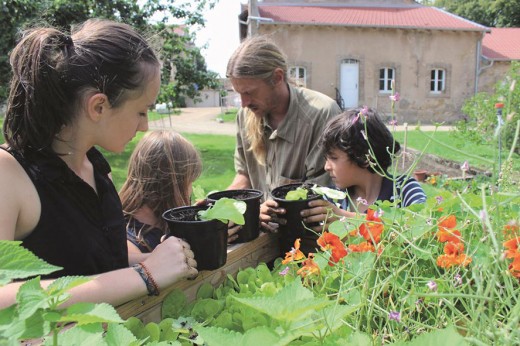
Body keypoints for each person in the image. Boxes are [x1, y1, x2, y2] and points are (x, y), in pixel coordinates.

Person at [0, 19, 197, 310]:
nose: (144, 127)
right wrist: (145, 275)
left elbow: (83, 260)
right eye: (141, 111)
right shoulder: (10, 173)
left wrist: (152, 260)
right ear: (99, 107)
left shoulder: (93, 168)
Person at [225, 35, 342, 232]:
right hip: (262, 232)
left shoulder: (320, 114)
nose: (244, 103)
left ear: (277, 77)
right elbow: (244, 175)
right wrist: (220, 205)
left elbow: (317, 194)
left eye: (249, 92)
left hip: (306, 236)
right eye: (239, 94)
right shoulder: (245, 116)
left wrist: (255, 213)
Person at [300, 107, 427, 230]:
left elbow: (421, 228)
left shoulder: (404, 190)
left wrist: (346, 218)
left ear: (365, 157)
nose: (326, 167)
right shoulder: (333, 199)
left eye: (334, 158)